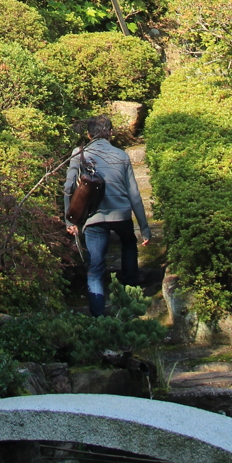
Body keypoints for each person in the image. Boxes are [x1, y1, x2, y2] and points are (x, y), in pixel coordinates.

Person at [64, 114, 151, 316]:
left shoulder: (79, 153)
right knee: (129, 243)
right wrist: (145, 229)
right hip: (121, 215)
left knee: (95, 267)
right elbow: (135, 195)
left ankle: (98, 317)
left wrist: (69, 220)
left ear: (88, 134)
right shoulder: (122, 156)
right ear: (111, 133)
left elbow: (68, 187)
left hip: (93, 218)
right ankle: (130, 301)